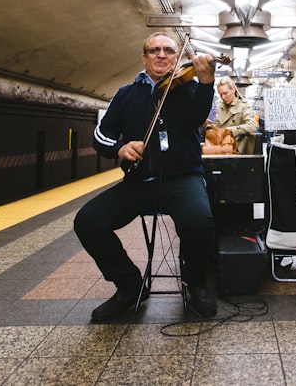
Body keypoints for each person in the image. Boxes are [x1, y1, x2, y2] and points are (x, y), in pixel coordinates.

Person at [75, 33, 218, 321]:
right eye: (154, 50)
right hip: (139, 182)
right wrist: (120, 148)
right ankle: (129, 285)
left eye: (168, 50)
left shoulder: (189, 88)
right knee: (88, 221)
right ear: (144, 57)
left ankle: (195, 280)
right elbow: (101, 137)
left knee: (199, 220)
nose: (161, 55)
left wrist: (206, 83)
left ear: (178, 58)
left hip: (182, 179)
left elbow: (196, 117)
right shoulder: (127, 94)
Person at [210, 76, 258, 155]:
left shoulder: (243, 106)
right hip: (222, 148)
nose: (223, 97)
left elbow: (252, 126)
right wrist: (210, 126)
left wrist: (230, 131)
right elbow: (219, 129)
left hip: (237, 150)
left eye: (225, 93)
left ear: (233, 89)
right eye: (220, 94)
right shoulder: (221, 107)